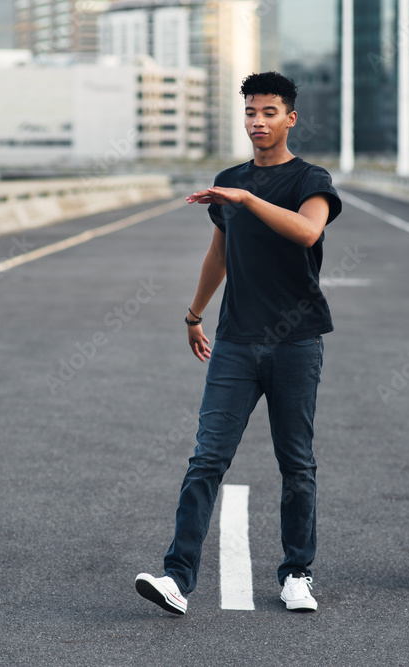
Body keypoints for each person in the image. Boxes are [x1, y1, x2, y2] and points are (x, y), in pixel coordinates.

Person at [134, 72, 342, 614]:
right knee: (206, 459)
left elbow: (307, 232)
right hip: (235, 342)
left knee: (296, 462)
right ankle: (177, 578)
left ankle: (297, 572)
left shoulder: (309, 180)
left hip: (296, 341)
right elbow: (219, 255)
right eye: (250, 112)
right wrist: (194, 312)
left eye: (269, 112)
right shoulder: (230, 181)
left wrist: (247, 199)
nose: (258, 122)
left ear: (290, 118)